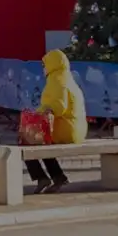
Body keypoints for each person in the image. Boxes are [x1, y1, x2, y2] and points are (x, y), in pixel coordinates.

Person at [27, 48, 87, 194]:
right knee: (41, 142)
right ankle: (58, 177)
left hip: (65, 129)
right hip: (76, 129)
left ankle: (41, 177)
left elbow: (58, 106)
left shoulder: (57, 80)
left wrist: (38, 113)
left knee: (27, 142)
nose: (43, 68)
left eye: (44, 64)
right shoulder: (68, 79)